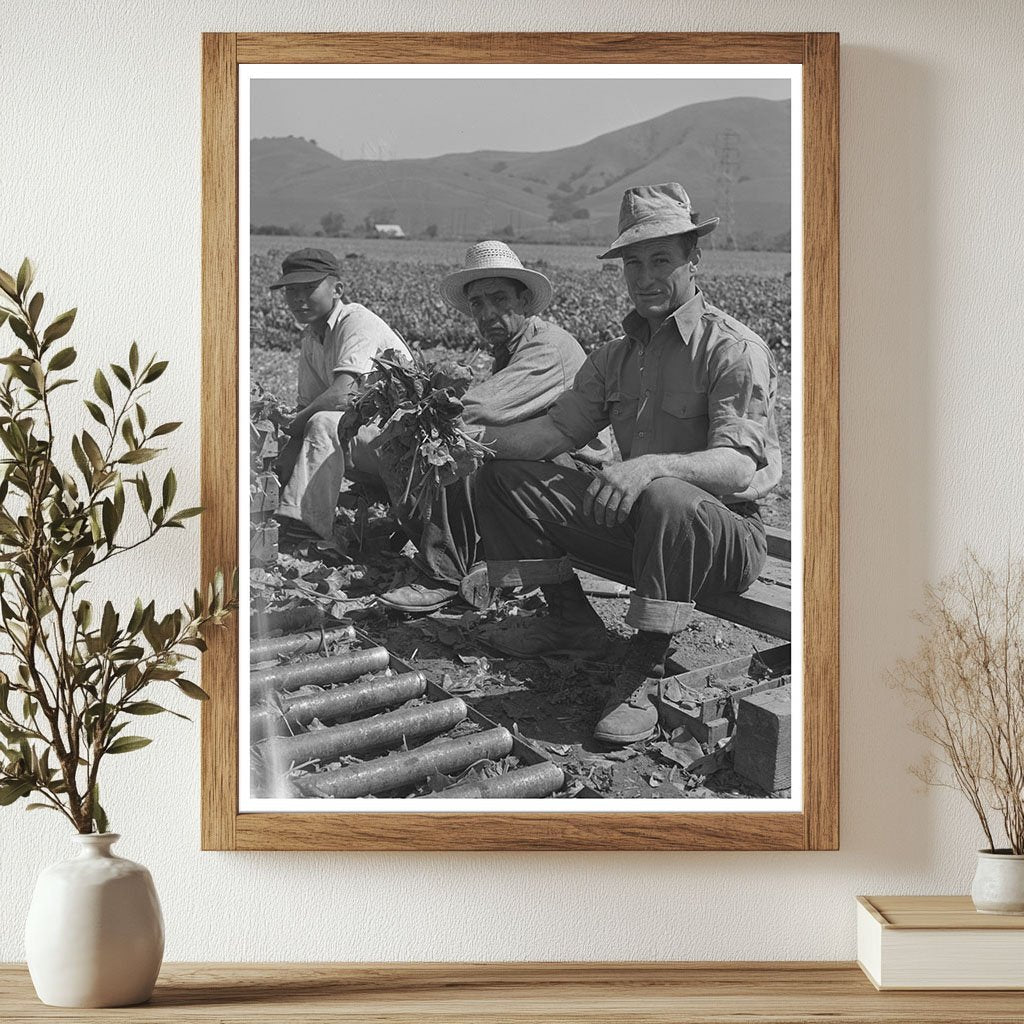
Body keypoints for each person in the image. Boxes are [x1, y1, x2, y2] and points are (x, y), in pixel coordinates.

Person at [474, 183, 781, 746]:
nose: (645, 277)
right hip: (643, 527)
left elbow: (738, 468)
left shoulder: (732, 349)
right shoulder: (614, 357)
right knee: (502, 476)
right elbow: (554, 432)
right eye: (633, 263)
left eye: (661, 259)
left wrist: (647, 469)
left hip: (724, 536)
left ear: (695, 259)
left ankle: (647, 667)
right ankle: (569, 619)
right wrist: (468, 442)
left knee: (665, 491)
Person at [379, 240, 609, 613]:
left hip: (577, 476)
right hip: (541, 464)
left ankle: (444, 574)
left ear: (522, 301)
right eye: (478, 304)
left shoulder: (547, 348)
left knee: (460, 445)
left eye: (499, 299)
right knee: (450, 444)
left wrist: (417, 404)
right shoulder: (507, 351)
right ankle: (463, 556)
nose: (488, 313)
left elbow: (478, 409)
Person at [269, 248, 411, 543]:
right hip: (369, 441)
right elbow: (305, 409)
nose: (298, 299)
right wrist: (271, 479)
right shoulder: (311, 337)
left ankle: (306, 527)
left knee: (321, 423)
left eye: (309, 288)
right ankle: (289, 514)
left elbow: (342, 396)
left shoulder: (357, 322)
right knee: (302, 432)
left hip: (406, 444)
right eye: (291, 291)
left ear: (338, 290)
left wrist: (293, 424)